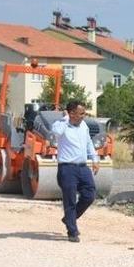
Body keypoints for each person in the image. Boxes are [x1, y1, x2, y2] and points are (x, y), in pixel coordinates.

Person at [52, 100, 99, 243]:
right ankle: (72, 231)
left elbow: (88, 142)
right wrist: (67, 118)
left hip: (82, 167)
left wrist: (95, 159)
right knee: (70, 200)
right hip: (67, 168)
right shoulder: (60, 125)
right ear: (72, 113)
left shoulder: (83, 125)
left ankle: (69, 219)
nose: (84, 116)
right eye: (81, 113)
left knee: (89, 195)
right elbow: (56, 132)